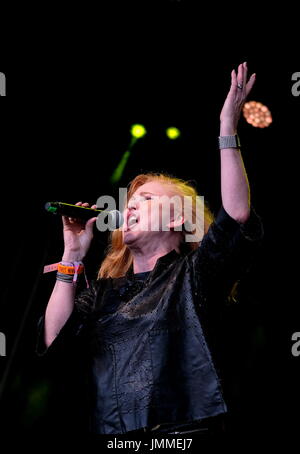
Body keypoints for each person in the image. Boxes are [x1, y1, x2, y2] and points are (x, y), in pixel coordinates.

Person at [37, 62, 263, 436]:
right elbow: (52, 342)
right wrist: (72, 258)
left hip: (186, 434)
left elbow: (237, 215)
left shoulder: (194, 274)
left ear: (178, 220)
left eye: (147, 199)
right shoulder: (105, 294)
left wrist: (227, 128)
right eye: (131, 200)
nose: (132, 206)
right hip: (116, 438)